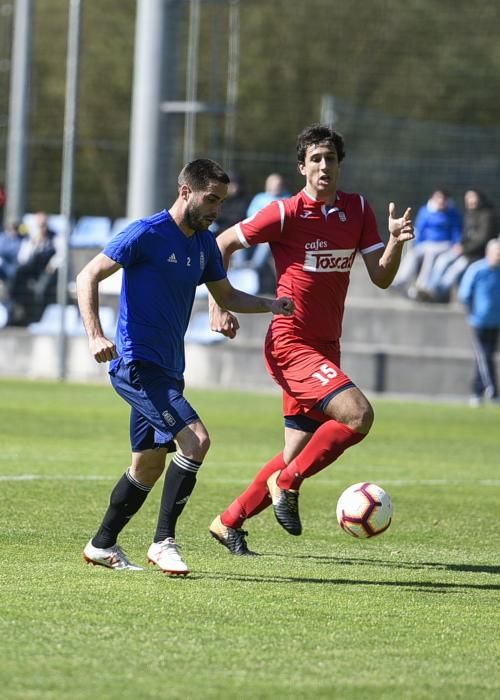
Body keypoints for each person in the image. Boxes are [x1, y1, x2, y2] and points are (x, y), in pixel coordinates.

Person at [76, 158, 294, 575]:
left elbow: (227, 296)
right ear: (185, 192)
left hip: (170, 368)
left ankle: (101, 544)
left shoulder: (204, 244)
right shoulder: (146, 233)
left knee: (148, 466)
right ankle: (163, 542)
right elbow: (88, 276)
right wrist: (95, 335)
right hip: (137, 364)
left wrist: (271, 305)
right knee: (195, 441)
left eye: (221, 201)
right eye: (211, 199)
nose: (217, 209)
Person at [207, 123, 414, 555]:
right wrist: (218, 303)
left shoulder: (357, 209)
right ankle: (288, 484)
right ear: (302, 167)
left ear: (339, 165)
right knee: (358, 415)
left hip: (326, 344)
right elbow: (222, 242)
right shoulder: (284, 213)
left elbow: (381, 277)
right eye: (315, 159)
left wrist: (394, 242)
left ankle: (228, 522)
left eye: (331, 159)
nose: (324, 166)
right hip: (290, 341)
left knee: (295, 451)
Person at [421, 188, 497, 302]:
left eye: (472, 197)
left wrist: (464, 249)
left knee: (455, 269)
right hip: (463, 250)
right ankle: (430, 288)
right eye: (468, 198)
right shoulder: (469, 214)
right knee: (442, 260)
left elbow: (482, 239)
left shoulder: (487, 216)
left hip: (475, 254)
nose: (470, 201)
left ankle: (438, 293)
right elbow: (464, 235)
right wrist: (459, 245)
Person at [391, 188, 462, 300]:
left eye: (443, 199)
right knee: (413, 254)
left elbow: (456, 232)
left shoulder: (452, 213)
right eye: (438, 198)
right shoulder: (425, 211)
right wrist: (418, 245)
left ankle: (421, 285)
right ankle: (400, 281)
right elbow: (420, 230)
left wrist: (457, 245)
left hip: (445, 245)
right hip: (426, 244)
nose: (440, 201)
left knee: (430, 254)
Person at [458, 237, 500, 407]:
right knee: (485, 356)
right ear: (488, 252)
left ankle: (477, 392)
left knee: (483, 358)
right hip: (479, 322)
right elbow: (464, 294)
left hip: (496, 322)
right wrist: (472, 314)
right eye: (497, 252)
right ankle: (493, 391)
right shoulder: (477, 270)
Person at [232, 172, 290, 292]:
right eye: (272, 184)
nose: (275, 187)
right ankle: (241, 268)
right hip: (256, 231)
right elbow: (250, 215)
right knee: (238, 241)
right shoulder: (260, 198)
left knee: (266, 245)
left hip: (273, 236)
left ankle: (253, 268)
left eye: (278, 184)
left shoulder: (288, 199)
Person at [9, 212, 59, 325]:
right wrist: (34, 244)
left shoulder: (55, 237)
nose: (42, 227)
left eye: (44, 224)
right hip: (33, 270)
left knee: (40, 288)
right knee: (17, 274)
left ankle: (36, 316)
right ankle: (14, 308)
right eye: (40, 225)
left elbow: (61, 256)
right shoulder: (30, 239)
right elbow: (23, 259)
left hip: (48, 271)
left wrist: (52, 264)